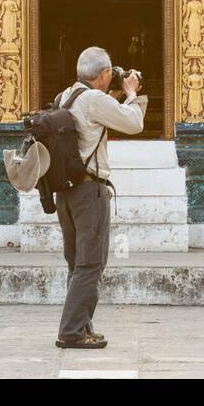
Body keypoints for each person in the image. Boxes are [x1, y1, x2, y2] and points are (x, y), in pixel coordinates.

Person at [54, 45, 146, 350]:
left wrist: (117, 96)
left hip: (66, 192)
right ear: (104, 74)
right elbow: (133, 123)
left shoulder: (67, 95)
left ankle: (81, 327)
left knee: (77, 264)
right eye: (111, 72)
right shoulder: (93, 99)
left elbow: (97, 119)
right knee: (91, 264)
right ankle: (71, 332)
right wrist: (131, 93)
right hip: (89, 192)